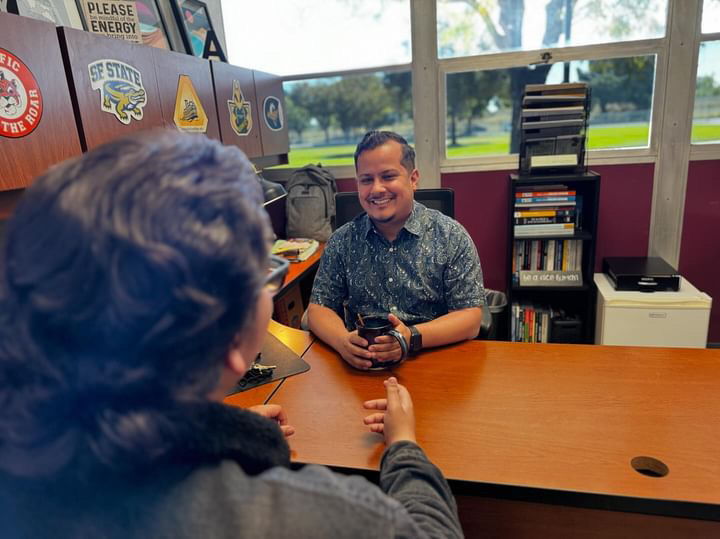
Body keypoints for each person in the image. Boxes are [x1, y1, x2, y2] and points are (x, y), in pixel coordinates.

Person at [0, 131, 463, 538]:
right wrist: (403, 448)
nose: (377, 189)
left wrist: (228, 433)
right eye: (261, 269)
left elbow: (472, 312)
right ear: (231, 345)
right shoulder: (326, 516)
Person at [307, 130, 485, 370]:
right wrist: (342, 342)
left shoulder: (451, 236)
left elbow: (471, 318)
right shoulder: (342, 241)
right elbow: (319, 307)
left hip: (433, 363)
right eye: (366, 180)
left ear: (413, 179)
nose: (377, 189)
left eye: (388, 176)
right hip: (360, 368)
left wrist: (410, 337)